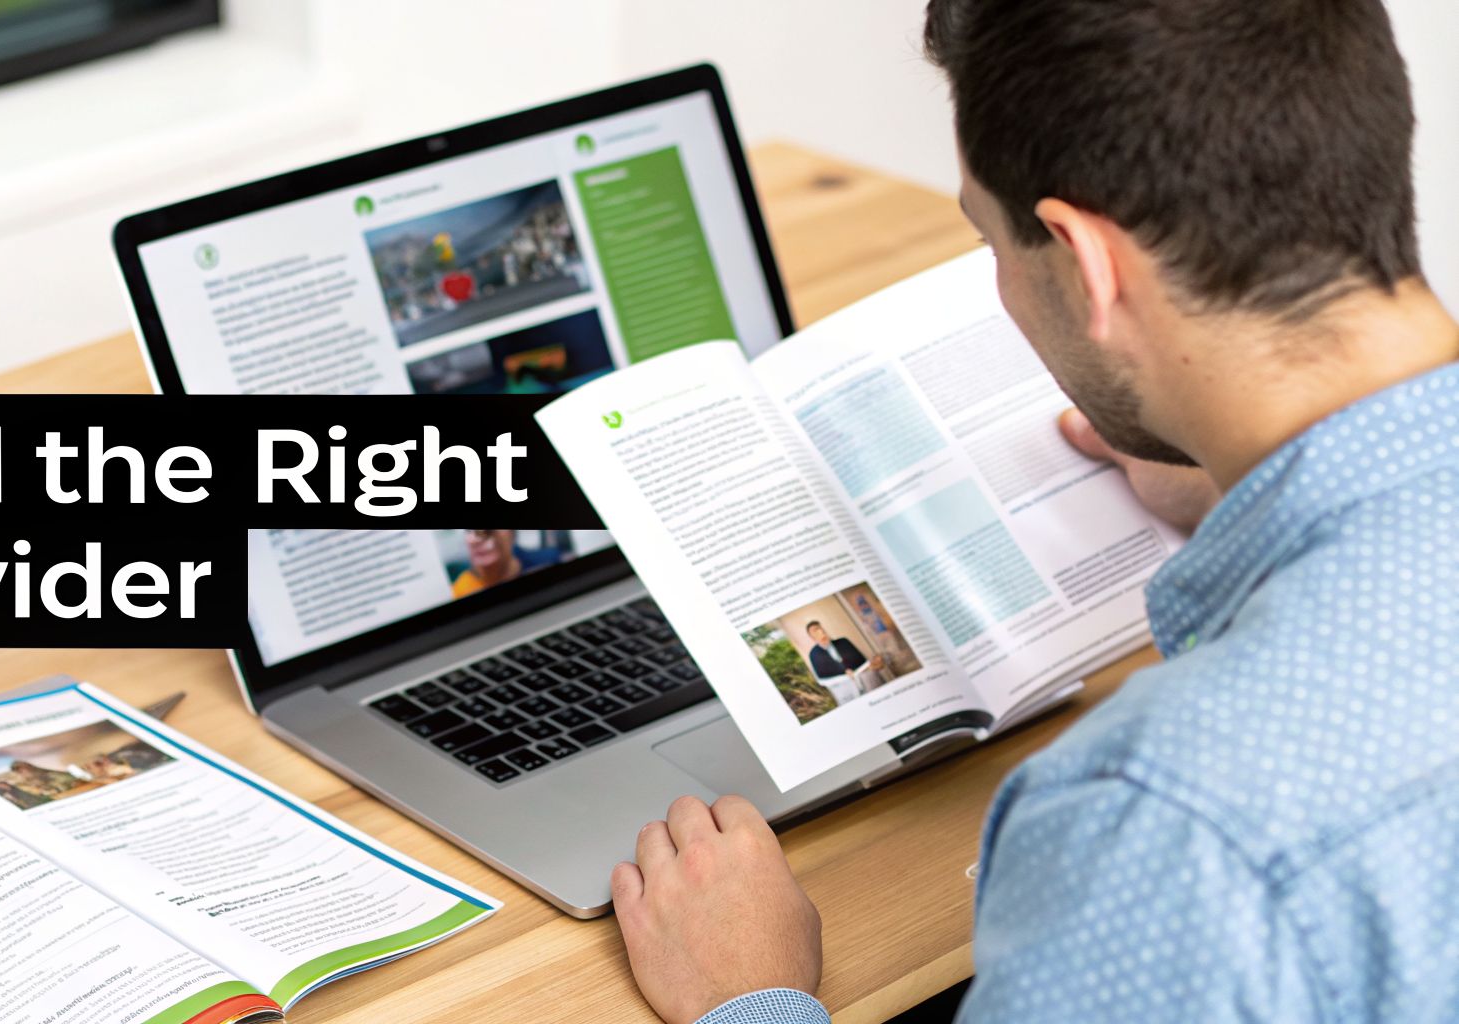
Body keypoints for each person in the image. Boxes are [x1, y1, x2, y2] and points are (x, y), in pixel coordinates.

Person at [609, 1, 1459, 1021]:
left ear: (1088, 264)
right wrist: (1235, 479)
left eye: (989, 239)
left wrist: (747, 998)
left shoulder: (1163, 827)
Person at [448, 529, 561, 597]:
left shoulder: (548, 563)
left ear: (512, 533)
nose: (476, 539)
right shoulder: (460, 590)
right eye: (469, 530)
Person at [802, 620, 883, 696]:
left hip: (865, 680)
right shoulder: (814, 654)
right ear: (812, 637)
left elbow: (862, 661)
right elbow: (823, 679)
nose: (821, 632)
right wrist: (844, 672)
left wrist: (865, 666)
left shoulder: (843, 642)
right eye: (815, 632)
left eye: (821, 629)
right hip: (844, 689)